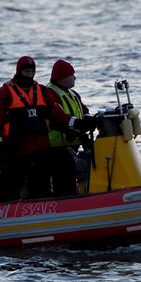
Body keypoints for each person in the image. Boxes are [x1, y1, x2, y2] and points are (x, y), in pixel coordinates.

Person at [0, 56, 91, 200]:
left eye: (31, 72)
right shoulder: (3, 94)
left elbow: (57, 114)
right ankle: (7, 212)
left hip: (40, 148)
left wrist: (77, 123)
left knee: (49, 175)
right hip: (14, 149)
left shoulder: (42, 92)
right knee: (11, 184)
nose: (29, 75)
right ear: (19, 71)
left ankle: (59, 206)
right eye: (26, 72)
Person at [44, 59, 92, 197]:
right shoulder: (50, 93)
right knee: (62, 182)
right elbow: (59, 116)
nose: (75, 77)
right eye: (72, 75)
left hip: (72, 145)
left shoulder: (73, 94)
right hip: (57, 147)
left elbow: (84, 110)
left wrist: (90, 120)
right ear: (63, 77)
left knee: (71, 178)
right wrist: (77, 124)